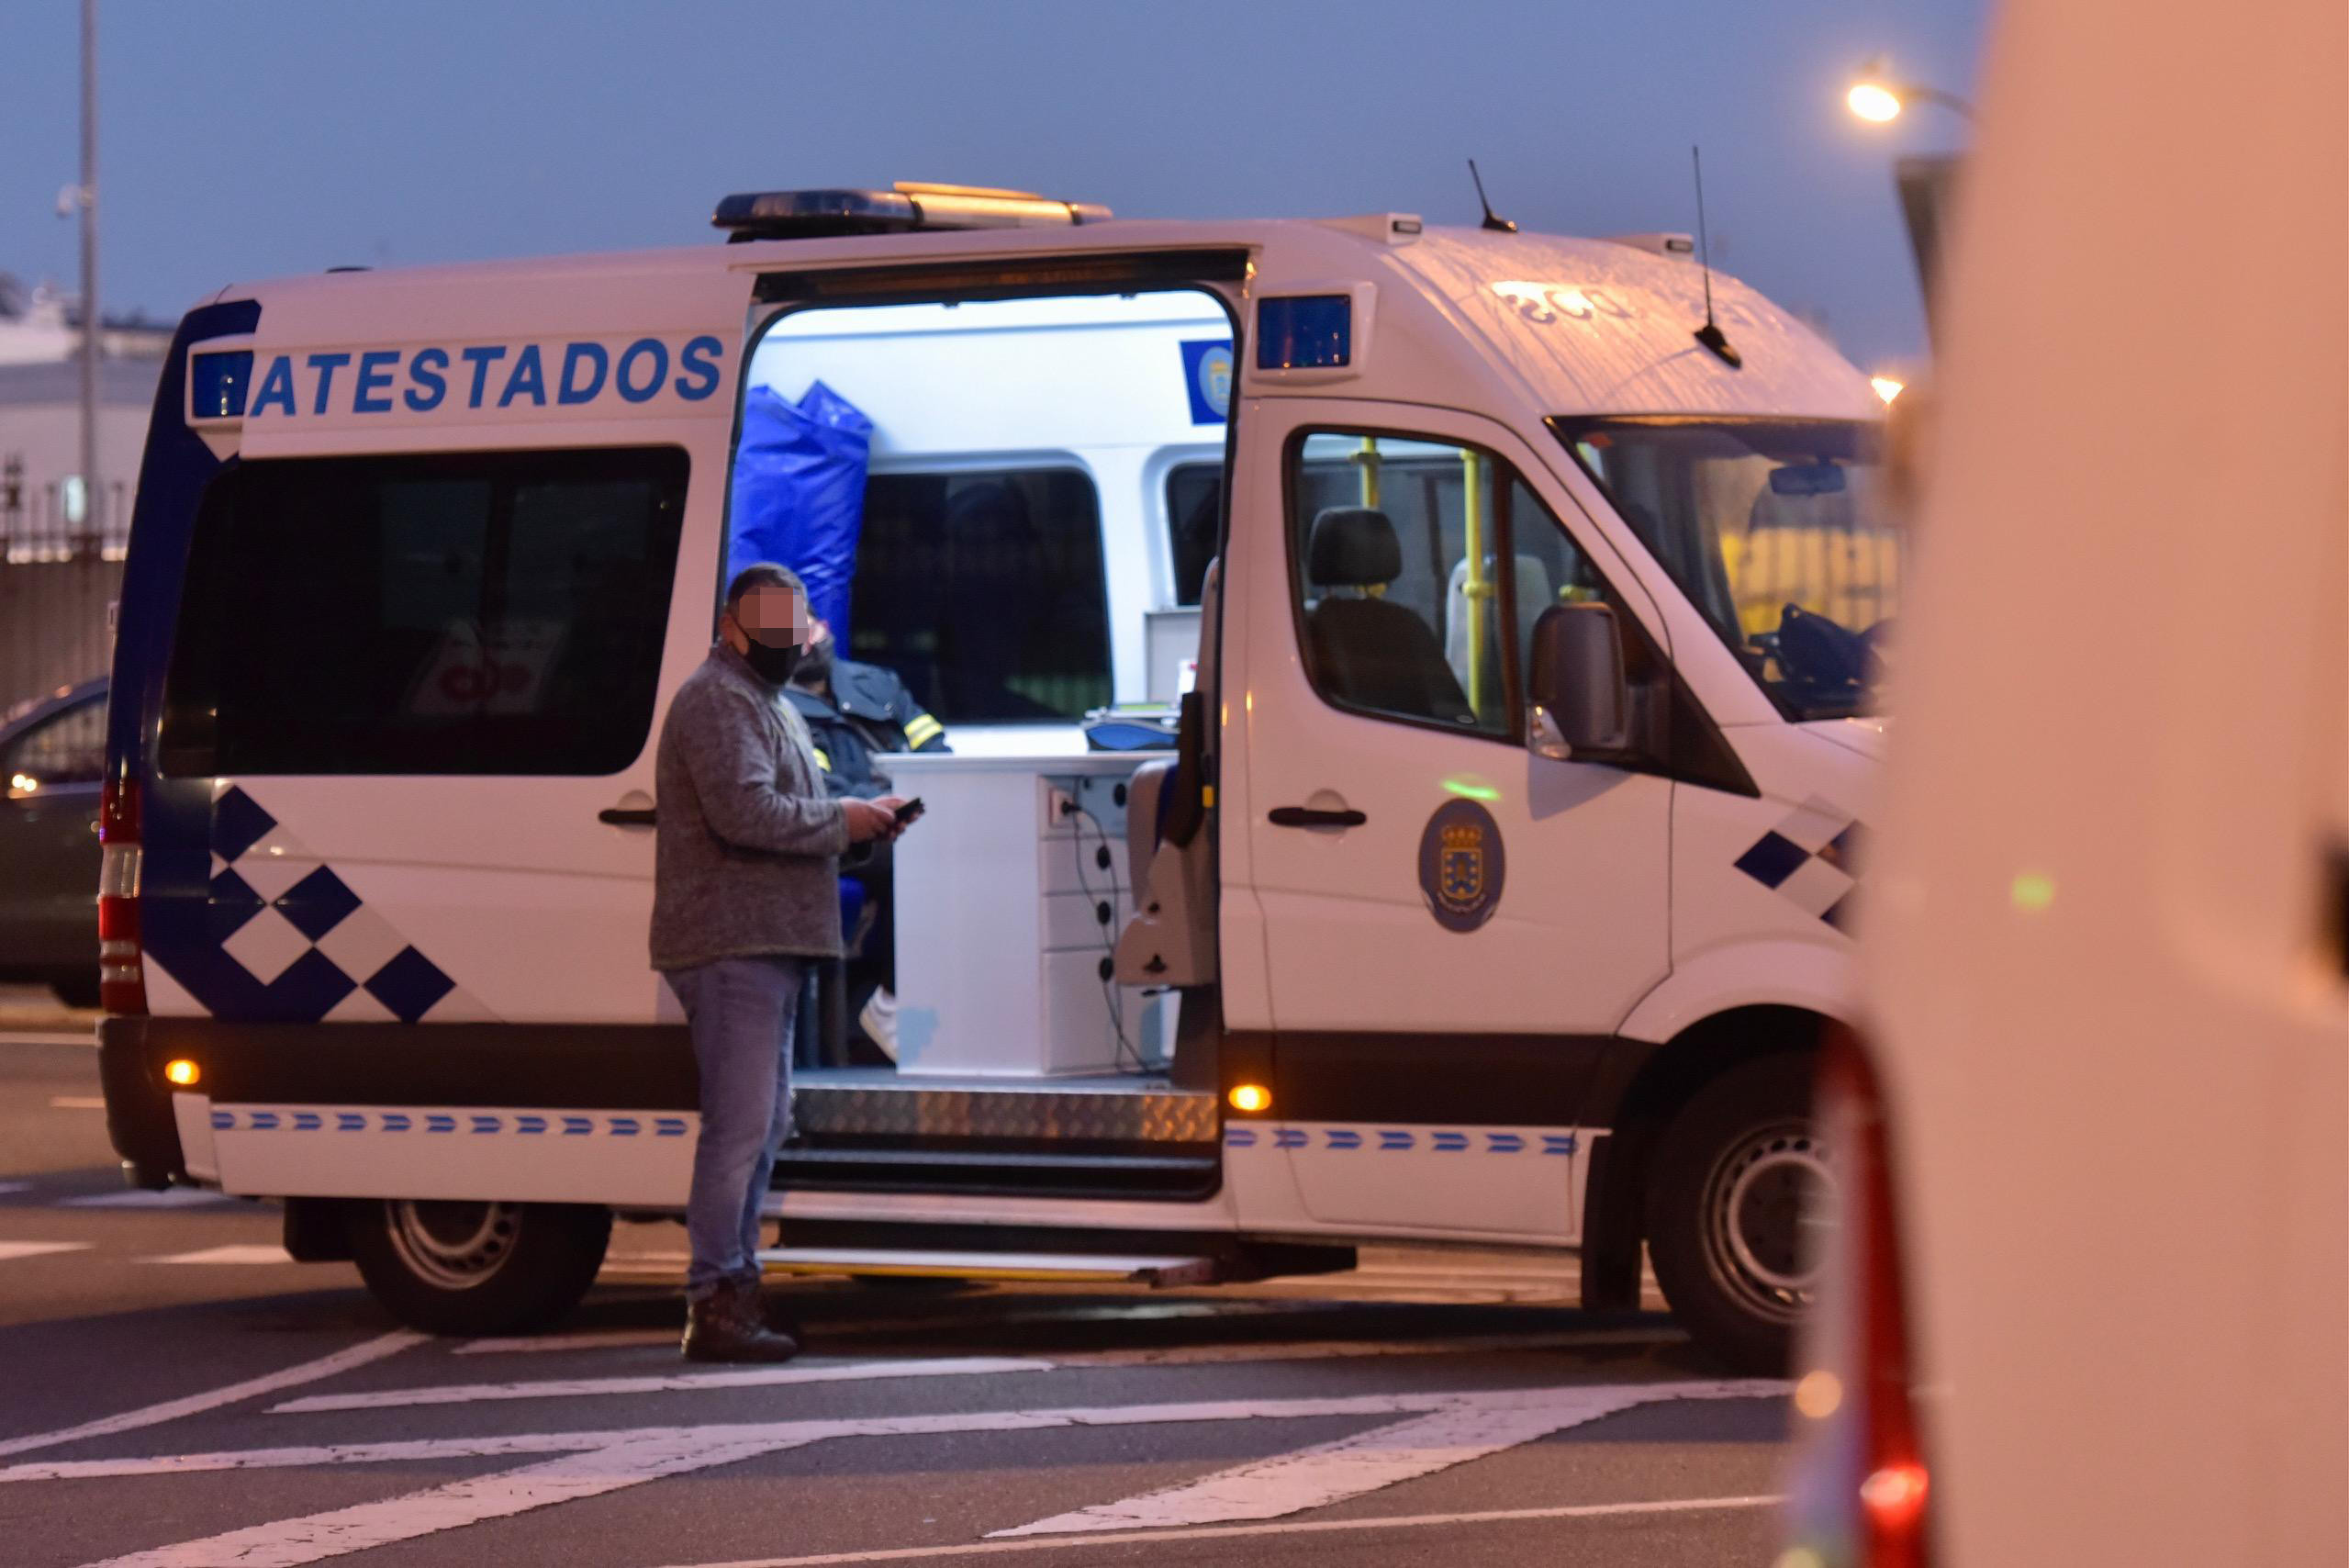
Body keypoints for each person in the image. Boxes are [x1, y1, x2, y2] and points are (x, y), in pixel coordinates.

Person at [650, 563, 912, 1363]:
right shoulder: (718, 700)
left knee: (762, 1128)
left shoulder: (762, 701)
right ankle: (715, 1300)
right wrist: (848, 819)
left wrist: (859, 819)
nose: (785, 638)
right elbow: (745, 812)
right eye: (768, 623)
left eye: (793, 623)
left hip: (768, 942)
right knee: (738, 1131)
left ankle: (735, 1290)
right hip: (734, 943)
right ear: (731, 624)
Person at [783, 610, 946, 1060]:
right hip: (840, 834)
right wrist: (886, 801)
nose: (806, 643)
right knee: (916, 864)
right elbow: (820, 790)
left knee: (967, 856)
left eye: (809, 630)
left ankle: (954, 1000)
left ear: (825, 630)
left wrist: (919, 795)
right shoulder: (779, 709)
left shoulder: (879, 684)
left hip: (909, 818)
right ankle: (892, 1000)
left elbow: (935, 749)